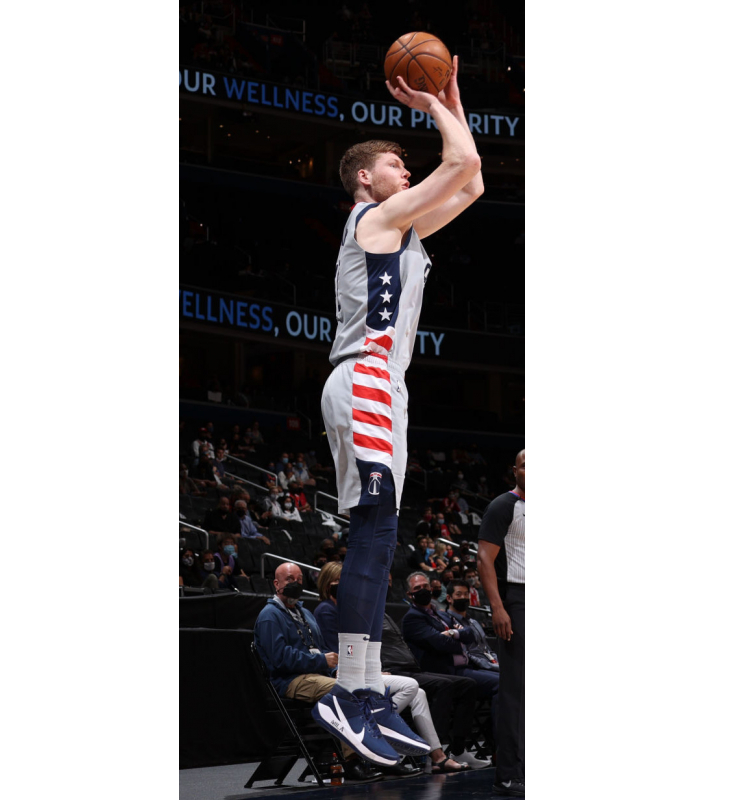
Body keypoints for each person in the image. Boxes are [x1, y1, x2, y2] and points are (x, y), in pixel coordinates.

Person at [313, 58, 483, 764]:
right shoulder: (375, 219)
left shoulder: (404, 227)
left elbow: (471, 181)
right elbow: (460, 160)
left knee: (381, 539)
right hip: (366, 378)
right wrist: (430, 103)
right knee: (374, 533)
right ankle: (349, 693)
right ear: (364, 178)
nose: (406, 171)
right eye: (394, 163)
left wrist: (453, 98)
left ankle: (365, 690)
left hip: (387, 386)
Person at [254, 563, 424, 780]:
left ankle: (383, 755)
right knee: (346, 693)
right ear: (276, 584)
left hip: (319, 675)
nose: (295, 583)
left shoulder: (305, 613)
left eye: (299, 580)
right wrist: (321, 661)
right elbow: (280, 659)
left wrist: (335, 668)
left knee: (369, 690)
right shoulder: (269, 616)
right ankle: (352, 762)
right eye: (289, 580)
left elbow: (324, 650)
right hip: (292, 680)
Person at [312, 562, 464, 774]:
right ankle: (371, 724)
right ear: (329, 584)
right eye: (341, 581)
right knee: (410, 686)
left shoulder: (351, 609)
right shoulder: (327, 610)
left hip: (367, 672)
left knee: (419, 694)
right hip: (350, 676)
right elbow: (337, 652)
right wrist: (370, 671)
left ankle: (437, 756)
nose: (349, 585)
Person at [401, 571, 498, 766]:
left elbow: (470, 634)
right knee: (499, 684)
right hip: (442, 671)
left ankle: (468, 748)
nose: (423, 590)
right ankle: (498, 747)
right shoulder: (412, 618)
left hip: (462, 667)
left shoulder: (439, 614)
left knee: (509, 682)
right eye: (417, 588)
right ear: (409, 594)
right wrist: (456, 637)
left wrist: (452, 634)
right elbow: (440, 643)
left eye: (425, 586)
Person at [477, 449, 525, 797]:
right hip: (517, 599)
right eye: (526, 465)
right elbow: (484, 559)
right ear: (515, 470)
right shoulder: (503, 506)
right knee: (515, 690)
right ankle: (508, 773)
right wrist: (498, 607)